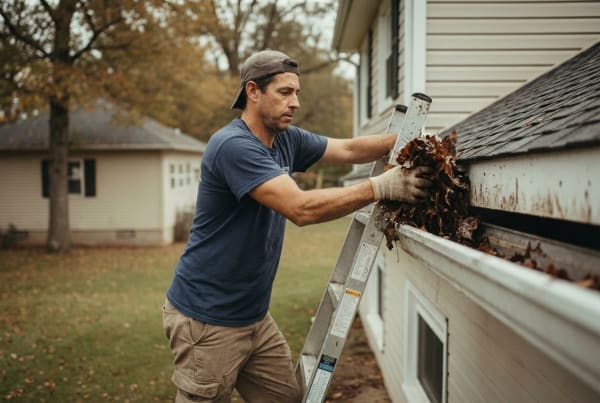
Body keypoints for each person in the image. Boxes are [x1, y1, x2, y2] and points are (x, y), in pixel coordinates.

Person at [162, 50, 432, 403]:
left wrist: (413, 144)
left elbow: (349, 149)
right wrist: (380, 187)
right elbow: (300, 208)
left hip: (253, 317)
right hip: (207, 321)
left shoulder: (285, 138)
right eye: (285, 92)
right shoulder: (233, 146)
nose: (295, 102)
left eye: (297, 93)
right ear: (253, 91)